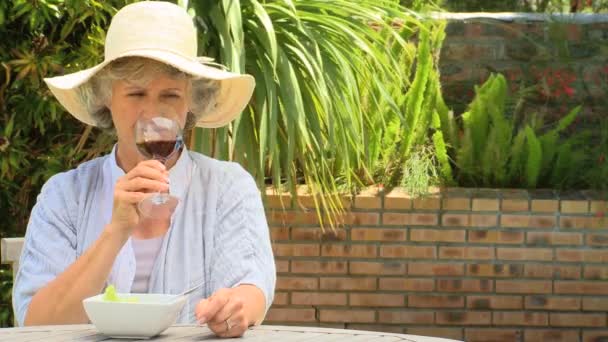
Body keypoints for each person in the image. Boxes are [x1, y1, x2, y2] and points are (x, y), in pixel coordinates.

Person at [12, 1, 276, 338]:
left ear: (190, 102)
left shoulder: (226, 187)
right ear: (107, 97)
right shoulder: (65, 195)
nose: (153, 112)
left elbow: (250, 290)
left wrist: (235, 308)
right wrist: (116, 230)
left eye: (170, 95)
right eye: (136, 93)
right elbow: (37, 325)